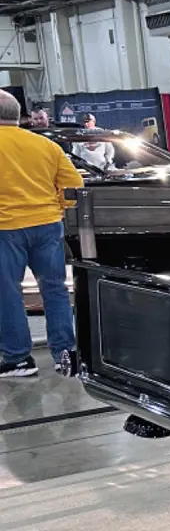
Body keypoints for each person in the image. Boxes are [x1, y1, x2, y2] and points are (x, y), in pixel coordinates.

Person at [0, 89, 83, 377]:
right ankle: (65, 355)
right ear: (18, 115)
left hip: (5, 228)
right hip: (48, 225)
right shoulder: (46, 146)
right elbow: (73, 185)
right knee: (55, 289)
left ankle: (18, 359)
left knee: (7, 293)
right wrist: (57, 208)